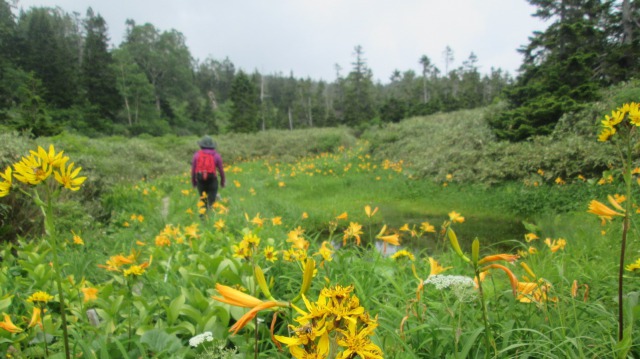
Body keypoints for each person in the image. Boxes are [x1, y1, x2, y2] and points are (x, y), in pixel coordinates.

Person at [191, 135, 225, 214]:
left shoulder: (196, 155)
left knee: (203, 201)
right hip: (212, 180)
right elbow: (221, 171)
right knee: (212, 202)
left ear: (201, 145)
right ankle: (211, 219)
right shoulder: (216, 156)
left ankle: (203, 219)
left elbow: (193, 171)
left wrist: (194, 182)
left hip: (201, 181)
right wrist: (222, 182)